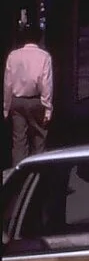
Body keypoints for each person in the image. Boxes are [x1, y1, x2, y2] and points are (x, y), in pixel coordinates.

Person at [5, 23, 54, 165]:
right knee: (39, 139)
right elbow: (46, 84)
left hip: (17, 101)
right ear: (40, 38)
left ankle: (19, 174)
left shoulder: (13, 56)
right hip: (37, 101)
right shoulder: (44, 56)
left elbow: (8, 83)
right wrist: (48, 109)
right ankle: (37, 174)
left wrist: (6, 107)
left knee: (19, 141)